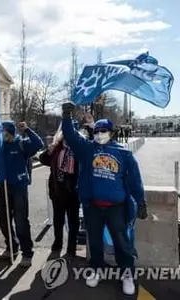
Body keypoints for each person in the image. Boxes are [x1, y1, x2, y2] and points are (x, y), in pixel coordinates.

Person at [60, 102, 148, 296]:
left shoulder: (124, 153)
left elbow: (135, 180)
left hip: (116, 207)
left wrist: (140, 201)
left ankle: (127, 274)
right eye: (97, 130)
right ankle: (97, 270)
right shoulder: (87, 150)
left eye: (104, 130)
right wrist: (66, 117)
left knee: (121, 241)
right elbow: (72, 137)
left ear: (112, 132)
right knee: (95, 241)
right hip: (92, 207)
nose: (100, 134)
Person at [0, 121, 44, 267]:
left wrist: (27, 130)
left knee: (21, 221)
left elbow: (38, 144)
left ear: (11, 133)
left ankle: (27, 252)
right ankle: (12, 246)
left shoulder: (21, 143)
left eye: (5, 134)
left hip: (19, 187)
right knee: (3, 219)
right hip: (4, 186)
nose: (3, 137)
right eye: (1, 134)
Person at [39, 120, 80, 259]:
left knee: (73, 221)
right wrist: (48, 151)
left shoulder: (78, 148)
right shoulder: (57, 147)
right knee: (58, 219)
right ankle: (57, 244)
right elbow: (43, 160)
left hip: (73, 191)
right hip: (58, 190)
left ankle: (71, 248)